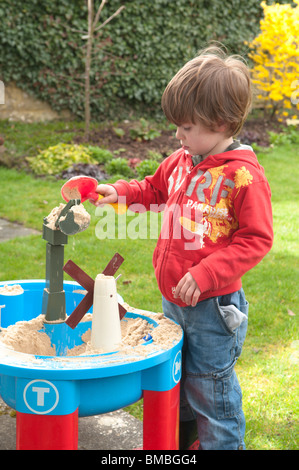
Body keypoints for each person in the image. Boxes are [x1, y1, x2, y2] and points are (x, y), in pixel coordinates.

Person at [93, 45, 274, 450]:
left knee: (212, 391)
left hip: (212, 307)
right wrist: (120, 192)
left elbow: (256, 239)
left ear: (223, 123)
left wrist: (206, 271)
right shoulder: (183, 160)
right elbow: (153, 189)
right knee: (179, 377)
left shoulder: (242, 178)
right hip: (175, 299)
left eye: (187, 127)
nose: (178, 135)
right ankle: (186, 443)